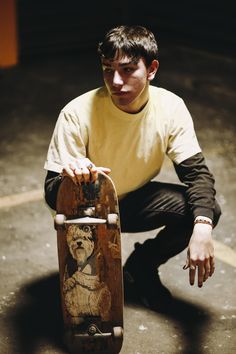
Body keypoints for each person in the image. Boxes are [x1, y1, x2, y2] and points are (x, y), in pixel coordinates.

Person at [44, 25, 221, 312]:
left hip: (133, 200)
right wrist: (70, 179)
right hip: (86, 208)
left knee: (206, 210)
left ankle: (141, 266)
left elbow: (198, 175)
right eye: (108, 69)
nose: (116, 81)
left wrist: (202, 227)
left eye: (127, 70)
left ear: (151, 69)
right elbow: (52, 194)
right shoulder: (76, 113)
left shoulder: (171, 108)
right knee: (92, 307)